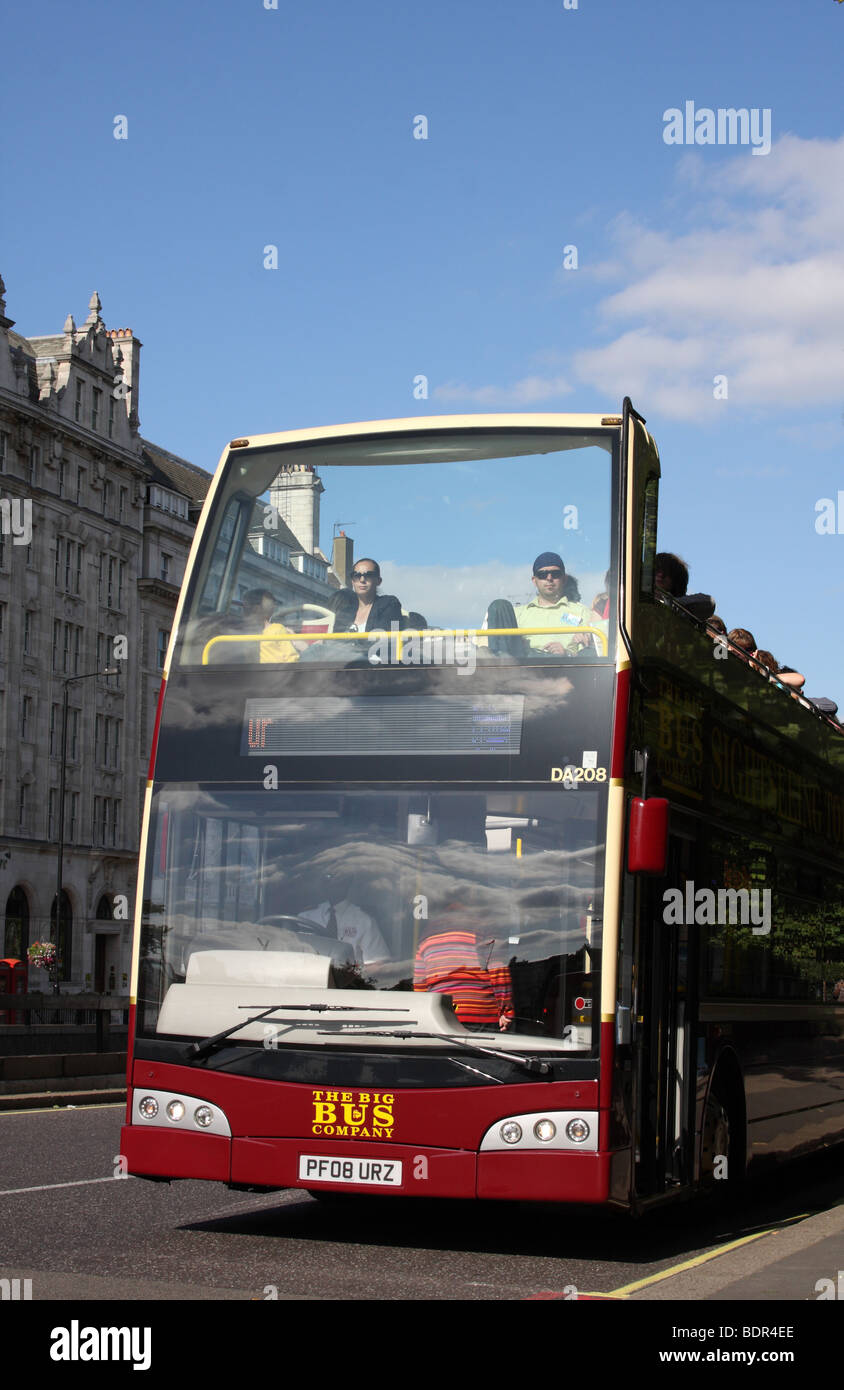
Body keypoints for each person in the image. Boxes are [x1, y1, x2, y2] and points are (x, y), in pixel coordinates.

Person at [414, 902, 514, 1032]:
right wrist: (506, 1012)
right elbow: (498, 970)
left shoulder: (426, 935)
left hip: (439, 1016)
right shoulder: (484, 924)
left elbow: (419, 985)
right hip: (479, 1014)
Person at [485, 552, 608, 657]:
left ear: (563, 579)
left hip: (564, 668)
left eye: (555, 574)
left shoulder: (582, 612)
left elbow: (590, 651)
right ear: (534, 580)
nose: (549, 578)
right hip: (524, 666)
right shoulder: (517, 614)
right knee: (499, 606)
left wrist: (567, 654)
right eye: (542, 574)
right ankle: (501, 673)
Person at [300, 871, 388, 965]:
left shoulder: (364, 920)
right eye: (328, 880)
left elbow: (376, 962)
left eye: (338, 881)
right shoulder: (306, 917)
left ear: (347, 884)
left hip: (347, 976)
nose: (332, 885)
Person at [331, 559, 403, 633]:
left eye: (369, 575)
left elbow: (394, 636)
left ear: (378, 581)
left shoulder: (390, 604)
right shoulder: (344, 613)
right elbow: (334, 640)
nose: (362, 580)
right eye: (357, 575)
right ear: (352, 581)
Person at [241, 587, 302, 663]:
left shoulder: (277, 629)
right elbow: (292, 658)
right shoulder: (276, 629)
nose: (273, 606)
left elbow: (292, 658)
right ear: (256, 608)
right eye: (270, 602)